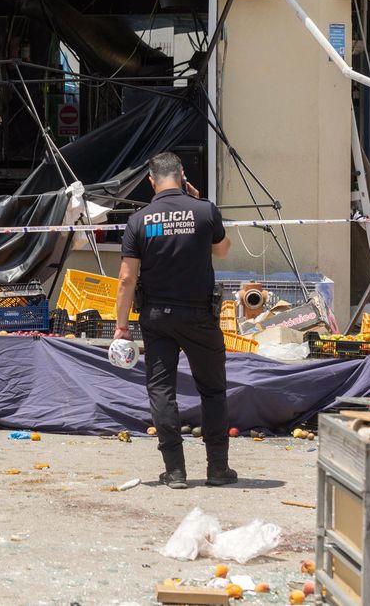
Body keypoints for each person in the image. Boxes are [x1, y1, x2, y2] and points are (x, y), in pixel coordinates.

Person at [114, 151, 236, 491]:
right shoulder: (205, 210)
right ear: (182, 175)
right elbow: (223, 250)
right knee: (212, 390)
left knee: (162, 391)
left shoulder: (139, 220)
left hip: (157, 318)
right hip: (200, 316)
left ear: (152, 181)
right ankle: (217, 468)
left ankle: (176, 471)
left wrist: (122, 325)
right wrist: (201, 206)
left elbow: (126, 278)